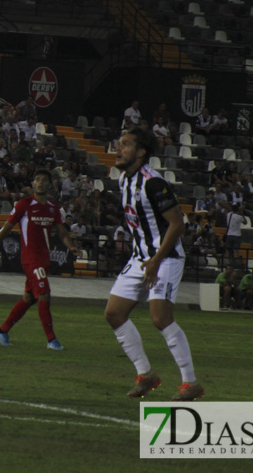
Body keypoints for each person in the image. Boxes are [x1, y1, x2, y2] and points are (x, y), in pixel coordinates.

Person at [104, 128, 203, 401]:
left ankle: (190, 382)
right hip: (140, 258)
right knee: (114, 313)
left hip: (165, 257)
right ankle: (146, 374)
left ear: (141, 152)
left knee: (160, 318)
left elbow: (177, 223)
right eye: (118, 144)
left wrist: (156, 261)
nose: (118, 149)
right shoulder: (124, 179)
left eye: (124, 145)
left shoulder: (153, 183)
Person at [0, 169, 78, 350]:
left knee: (29, 298)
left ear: (50, 185)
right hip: (30, 259)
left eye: (44, 180)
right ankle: (52, 340)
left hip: (43, 259)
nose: (40, 183)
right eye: (37, 179)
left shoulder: (52, 207)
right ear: (33, 184)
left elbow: (61, 231)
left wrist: (71, 246)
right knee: (44, 293)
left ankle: (2, 331)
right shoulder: (23, 205)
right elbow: (6, 228)